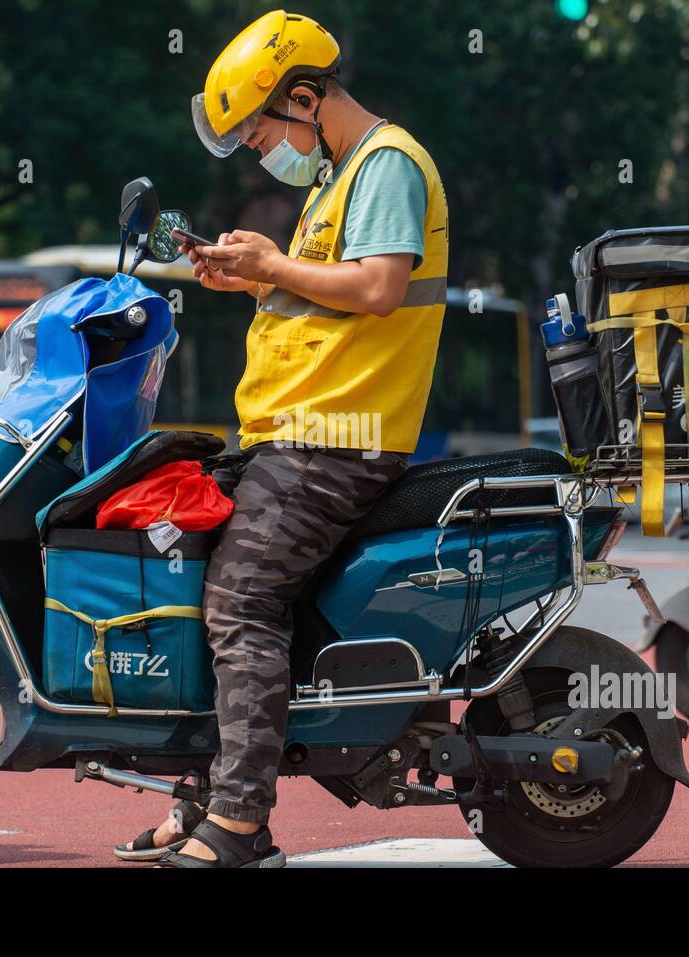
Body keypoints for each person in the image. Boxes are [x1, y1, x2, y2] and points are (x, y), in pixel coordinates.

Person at [114, 9, 448, 867]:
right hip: (293, 433)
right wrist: (249, 280)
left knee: (240, 600)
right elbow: (321, 300)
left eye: (262, 130)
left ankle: (238, 821)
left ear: (306, 96)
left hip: (337, 441)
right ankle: (201, 795)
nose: (264, 148)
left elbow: (377, 289)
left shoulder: (387, 165)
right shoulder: (332, 181)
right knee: (186, 565)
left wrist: (270, 267)